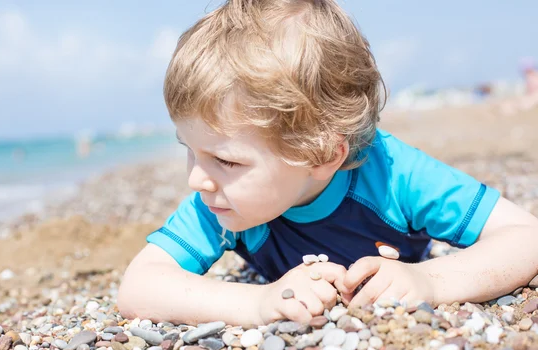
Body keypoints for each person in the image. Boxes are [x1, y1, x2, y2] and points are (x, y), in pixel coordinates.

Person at [118, 0, 538, 326]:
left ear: (321, 155)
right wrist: (260, 302)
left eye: (225, 160)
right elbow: (140, 284)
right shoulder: (222, 203)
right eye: (190, 150)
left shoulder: (394, 175)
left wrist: (429, 280)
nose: (197, 179)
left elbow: (525, 237)